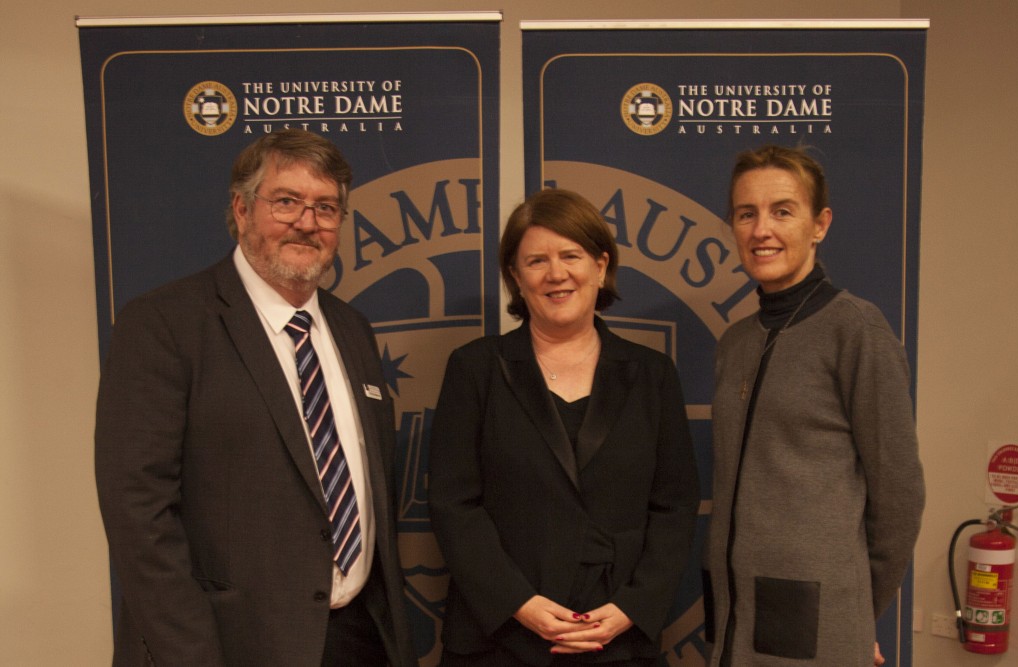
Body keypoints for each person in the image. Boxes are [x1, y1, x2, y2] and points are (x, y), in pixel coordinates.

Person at [95, 129, 416, 666]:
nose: (307, 222)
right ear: (242, 210)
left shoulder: (353, 329)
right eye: (286, 202)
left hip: (357, 640)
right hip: (225, 646)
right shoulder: (163, 324)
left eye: (326, 208)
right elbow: (138, 513)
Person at [428, 188, 700, 666]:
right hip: (499, 643)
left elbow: (674, 507)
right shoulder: (475, 369)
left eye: (570, 255)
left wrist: (630, 608)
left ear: (601, 265)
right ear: (515, 276)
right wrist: (520, 605)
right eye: (536, 261)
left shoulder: (652, 375)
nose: (556, 274)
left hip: (618, 642)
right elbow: (454, 504)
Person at [703, 144, 925, 666]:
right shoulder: (735, 342)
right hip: (734, 625)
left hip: (817, 626)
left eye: (783, 211)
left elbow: (899, 495)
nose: (762, 230)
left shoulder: (857, 329)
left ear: (819, 224)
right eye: (746, 214)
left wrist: (855, 611)